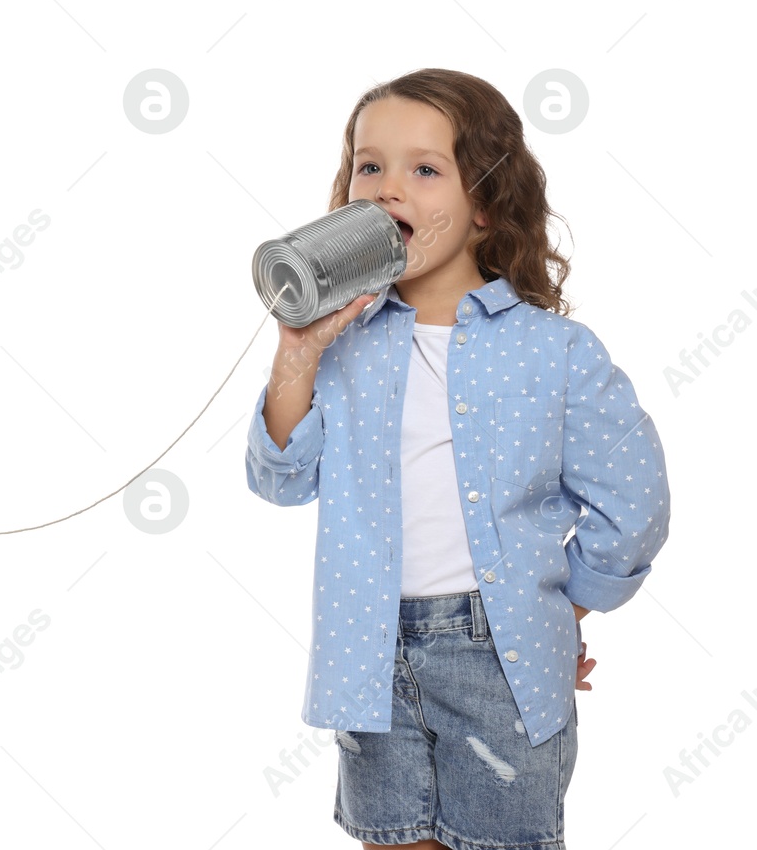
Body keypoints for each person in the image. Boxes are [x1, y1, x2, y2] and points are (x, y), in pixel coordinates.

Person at [244, 69, 669, 850]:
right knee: (394, 837)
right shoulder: (343, 350)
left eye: (424, 169)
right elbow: (280, 478)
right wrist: (298, 353)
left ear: (483, 204)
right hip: (366, 652)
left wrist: (556, 613)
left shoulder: (554, 350)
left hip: (498, 658)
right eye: (368, 167)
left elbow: (633, 501)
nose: (387, 188)